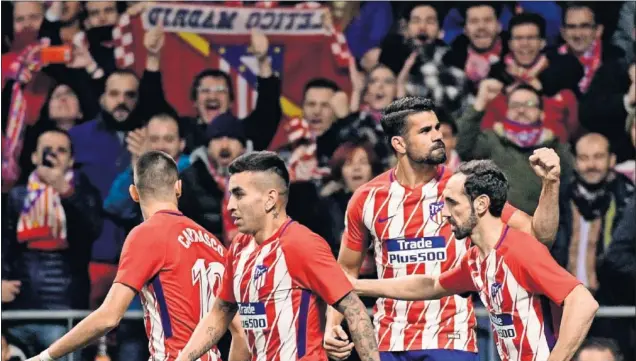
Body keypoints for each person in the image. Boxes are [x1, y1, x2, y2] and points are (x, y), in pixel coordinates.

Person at [324, 96, 561, 361]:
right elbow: (346, 269)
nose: (438, 136)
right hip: (388, 341)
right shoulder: (366, 198)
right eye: (425, 131)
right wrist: (333, 324)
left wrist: (550, 185)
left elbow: (539, 235)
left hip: (451, 339)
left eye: (437, 128)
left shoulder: (464, 188)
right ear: (399, 143)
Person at [351, 160, 599, 361]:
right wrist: (356, 285)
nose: (445, 213)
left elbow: (583, 302)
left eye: (452, 203)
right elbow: (431, 285)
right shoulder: (476, 259)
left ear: (481, 204)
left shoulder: (518, 250)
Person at [26, 151, 249, 361]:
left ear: (133, 192)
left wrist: (47, 356)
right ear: (178, 187)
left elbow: (108, 317)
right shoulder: (214, 244)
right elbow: (240, 333)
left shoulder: (147, 234)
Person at [175, 151, 380, 361]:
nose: (230, 206)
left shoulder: (301, 244)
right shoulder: (239, 247)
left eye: (239, 194)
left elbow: (354, 308)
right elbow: (219, 313)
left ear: (270, 199)